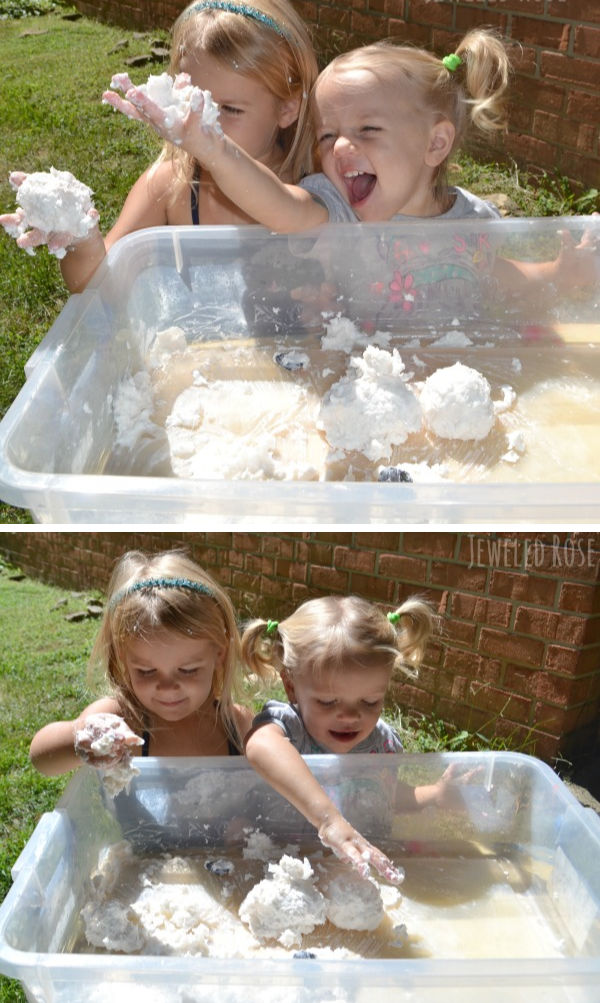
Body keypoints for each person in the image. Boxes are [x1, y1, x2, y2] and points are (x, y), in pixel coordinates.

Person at [110, 26, 597, 307]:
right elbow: (277, 204)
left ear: (436, 143)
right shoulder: (334, 211)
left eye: (368, 130)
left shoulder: (474, 224)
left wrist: (559, 272)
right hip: (358, 402)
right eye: (327, 134)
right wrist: (211, 146)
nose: (341, 146)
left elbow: (499, 277)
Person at [0, 0, 318, 293]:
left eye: (230, 109)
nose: (201, 124)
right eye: (187, 100)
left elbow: (293, 218)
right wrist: (79, 238)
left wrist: (217, 152)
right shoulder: (169, 186)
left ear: (287, 109)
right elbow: (96, 287)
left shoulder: (316, 184)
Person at [242, 595, 476, 883]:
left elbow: (381, 795)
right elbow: (259, 746)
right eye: (328, 702)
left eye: (369, 701)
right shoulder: (289, 728)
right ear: (291, 687)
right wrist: (328, 820)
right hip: (282, 872)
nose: (350, 716)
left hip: (354, 878)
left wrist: (435, 794)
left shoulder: (381, 744)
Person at [29, 549, 263, 775]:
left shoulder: (237, 725)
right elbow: (42, 759)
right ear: (122, 655)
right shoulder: (121, 718)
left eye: (188, 670)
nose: (167, 687)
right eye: (147, 671)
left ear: (219, 654)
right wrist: (80, 737)